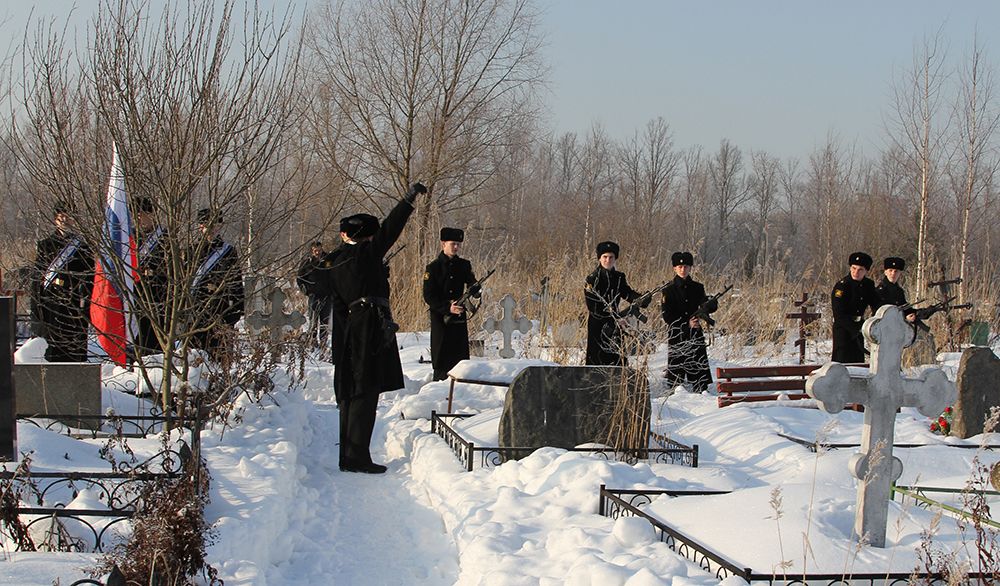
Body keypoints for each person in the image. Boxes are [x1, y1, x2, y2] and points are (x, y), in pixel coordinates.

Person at [329, 182, 426, 474]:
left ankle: (348, 455)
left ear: (345, 234)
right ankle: (357, 458)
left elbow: (334, 300)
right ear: (368, 236)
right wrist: (408, 200)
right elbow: (392, 227)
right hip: (368, 327)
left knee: (349, 392)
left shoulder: (334, 260)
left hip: (348, 329)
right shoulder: (366, 254)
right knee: (365, 392)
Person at [30, 203, 95, 362]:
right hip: (51, 303)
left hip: (73, 302)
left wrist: (85, 305)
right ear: (55, 219)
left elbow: (89, 278)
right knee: (52, 348)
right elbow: (38, 278)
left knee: (73, 349)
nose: (64, 220)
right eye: (61, 217)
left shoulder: (82, 247)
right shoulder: (46, 245)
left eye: (68, 216)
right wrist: (37, 307)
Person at [423, 227, 480, 380]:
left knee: (459, 358)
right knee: (441, 358)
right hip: (441, 318)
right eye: (453, 244)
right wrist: (447, 308)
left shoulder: (464, 265)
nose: (456, 247)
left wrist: (475, 288)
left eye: (458, 244)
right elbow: (429, 296)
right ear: (443, 244)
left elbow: (471, 282)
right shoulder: (433, 268)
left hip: (458, 318)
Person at [189, 208, 244, 361]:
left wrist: (235, 311)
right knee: (196, 357)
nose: (210, 229)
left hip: (220, 311)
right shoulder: (191, 251)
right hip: (196, 311)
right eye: (206, 225)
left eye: (214, 225)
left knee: (220, 357)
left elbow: (236, 283)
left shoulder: (228, 252)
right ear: (200, 226)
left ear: (220, 226)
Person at [660, 251, 715, 392]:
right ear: (674, 268)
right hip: (677, 334)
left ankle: (702, 396)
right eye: (679, 267)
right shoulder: (668, 290)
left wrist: (711, 305)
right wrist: (686, 324)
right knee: (675, 378)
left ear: (690, 268)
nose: (683, 269)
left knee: (699, 377)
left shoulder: (698, 287)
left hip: (694, 334)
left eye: (685, 266)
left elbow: (705, 306)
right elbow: (668, 317)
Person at [584, 241, 642, 366]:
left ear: (615, 258)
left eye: (611, 257)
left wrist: (641, 299)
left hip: (615, 323)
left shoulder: (619, 277)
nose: (608, 260)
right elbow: (593, 307)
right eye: (605, 257)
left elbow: (626, 293)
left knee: (617, 358)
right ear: (599, 258)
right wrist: (614, 319)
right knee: (596, 359)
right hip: (597, 324)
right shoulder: (592, 279)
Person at [830, 251, 882, 363]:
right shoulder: (842, 286)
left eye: (860, 270)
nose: (856, 272)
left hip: (860, 326)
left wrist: (879, 319)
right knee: (842, 361)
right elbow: (838, 314)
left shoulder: (868, 285)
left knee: (858, 361)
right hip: (843, 328)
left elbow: (876, 304)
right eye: (853, 268)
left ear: (866, 271)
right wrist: (855, 328)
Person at [134, 196, 169, 357]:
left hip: (157, 293)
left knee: (155, 337)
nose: (140, 218)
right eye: (137, 215)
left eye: (143, 214)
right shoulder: (130, 238)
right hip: (136, 293)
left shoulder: (164, 237)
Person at [297, 241, 335, 356]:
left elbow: (334, 274)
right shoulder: (307, 263)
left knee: (324, 321)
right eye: (315, 250)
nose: (317, 252)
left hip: (327, 296)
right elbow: (300, 278)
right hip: (313, 295)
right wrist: (306, 290)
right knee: (313, 321)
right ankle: (312, 343)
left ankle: (323, 344)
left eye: (318, 250)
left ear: (321, 249)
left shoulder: (328, 260)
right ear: (312, 251)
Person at [876, 257, 916, 322]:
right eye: (890, 270)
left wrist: (914, 313)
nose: (893, 274)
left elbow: (906, 308)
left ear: (900, 273)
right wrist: (904, 317)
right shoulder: (880, 291)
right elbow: (880, 314)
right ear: (885, 272)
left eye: (896, 271)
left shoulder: (899, 291)